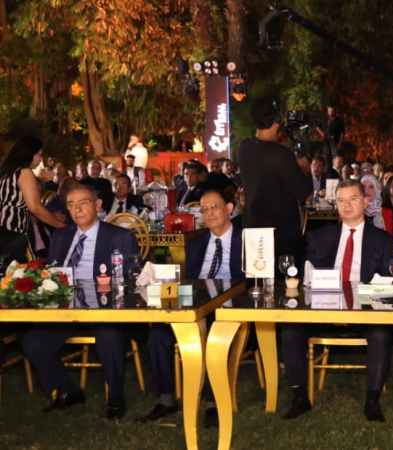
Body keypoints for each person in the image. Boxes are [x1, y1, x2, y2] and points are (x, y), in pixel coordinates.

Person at [22, 184, 138, 419]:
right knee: (33, 341)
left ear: (98, 205)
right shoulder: (61, 236)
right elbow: (52, 273)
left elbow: (130, 281)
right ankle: (67, 390)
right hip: (66, 310)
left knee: (109, 336)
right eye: (71, 205)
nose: (77, 210)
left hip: (104, 309)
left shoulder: (119, 236)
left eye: (83, 203)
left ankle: (115, 397)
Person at [281, 180, 393, 421]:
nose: (347, 205)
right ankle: (300, 396)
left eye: (353, 199)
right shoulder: (318, 237)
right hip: (323, 309)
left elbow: (386, 282)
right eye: (341, 200)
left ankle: (372, 399)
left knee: (381, 332)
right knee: (291, 329)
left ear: (366, 202)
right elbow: (307, 278)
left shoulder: (382, 239)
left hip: (365, 311)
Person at [140, 190, 242, 424]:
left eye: (214, 207)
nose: (209, 213)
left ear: (229, 209)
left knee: (215, 331)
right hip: (195, 303)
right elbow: (186, 280)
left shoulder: (247, 240)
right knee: (158, 334)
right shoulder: (195, 243)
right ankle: (166, 398)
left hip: (229, 304)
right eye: (204, 210)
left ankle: (213, 401)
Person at [237, 96, 312, 259]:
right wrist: (305, 169)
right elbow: (304, 193)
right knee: (285, 275)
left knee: (255, 275)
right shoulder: (282, 155)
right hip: (281, 234)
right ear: (277, 121)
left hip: (253, 230)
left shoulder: (244, 148)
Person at [0, 136, 66, 261]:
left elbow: (18, 203)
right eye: (39, 154)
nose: (41, 159)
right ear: (28, 153)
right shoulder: (24, 172)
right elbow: (35, 207)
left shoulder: (6, 171)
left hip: (5, 229)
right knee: (22, 269)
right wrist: (60, 225)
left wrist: (51, 216)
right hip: (13, 232)